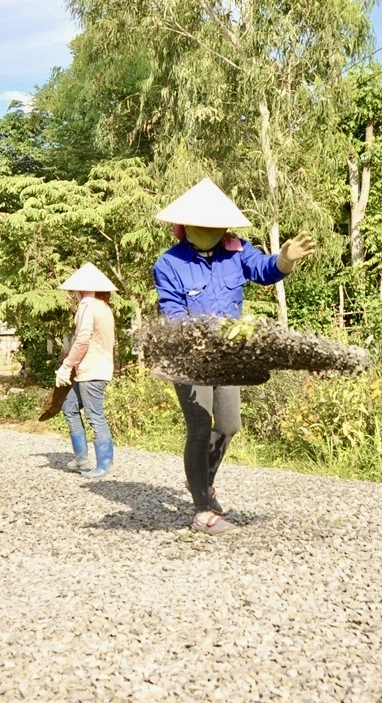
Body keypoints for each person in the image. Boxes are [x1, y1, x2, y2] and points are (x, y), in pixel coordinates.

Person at [151, 178, 315, 534]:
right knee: (199, 428)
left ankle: (202, 480)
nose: (210, 232)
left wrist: (285, 260)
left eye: (216, 226)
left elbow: (265, 270)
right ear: (184, 226)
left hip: (228, 357)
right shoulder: (169, 263)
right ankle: (202, 511)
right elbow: (173, 310)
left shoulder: (238, 251)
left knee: (228, 425)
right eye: (202, 225)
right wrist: (196, 337)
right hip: (189, 356)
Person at [54, 263, 118, 478]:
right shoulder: (104, 307)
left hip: (92, 371)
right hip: (96, 369)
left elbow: (83, 340)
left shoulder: (88, 306)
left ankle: (105, 464)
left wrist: (66, 365)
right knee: (69, 405)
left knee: (94, 415)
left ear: (81, 289)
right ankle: (81, 458)